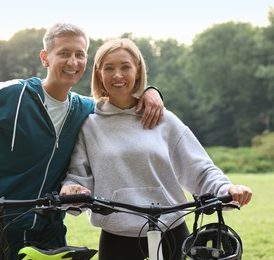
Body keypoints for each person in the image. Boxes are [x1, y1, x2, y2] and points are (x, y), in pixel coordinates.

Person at [0, 23, 164, 259]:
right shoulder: (12, 94)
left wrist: (151, 91)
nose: (72, 62)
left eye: (80, 54)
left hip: (48, 235)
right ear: (45, 58)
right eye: (64, 53)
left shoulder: (86, 109)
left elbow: (122, 104)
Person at [60, 38, 253, 260]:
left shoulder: (163, 119)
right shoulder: (89, 125)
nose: (118, 75)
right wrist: (72, 190)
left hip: (171, 230)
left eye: (125, 67)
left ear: (138, 71)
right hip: (116, 235)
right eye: (109, 68)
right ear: (99, 74)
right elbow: (78, 177)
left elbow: (200, 168)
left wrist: (226, 189)